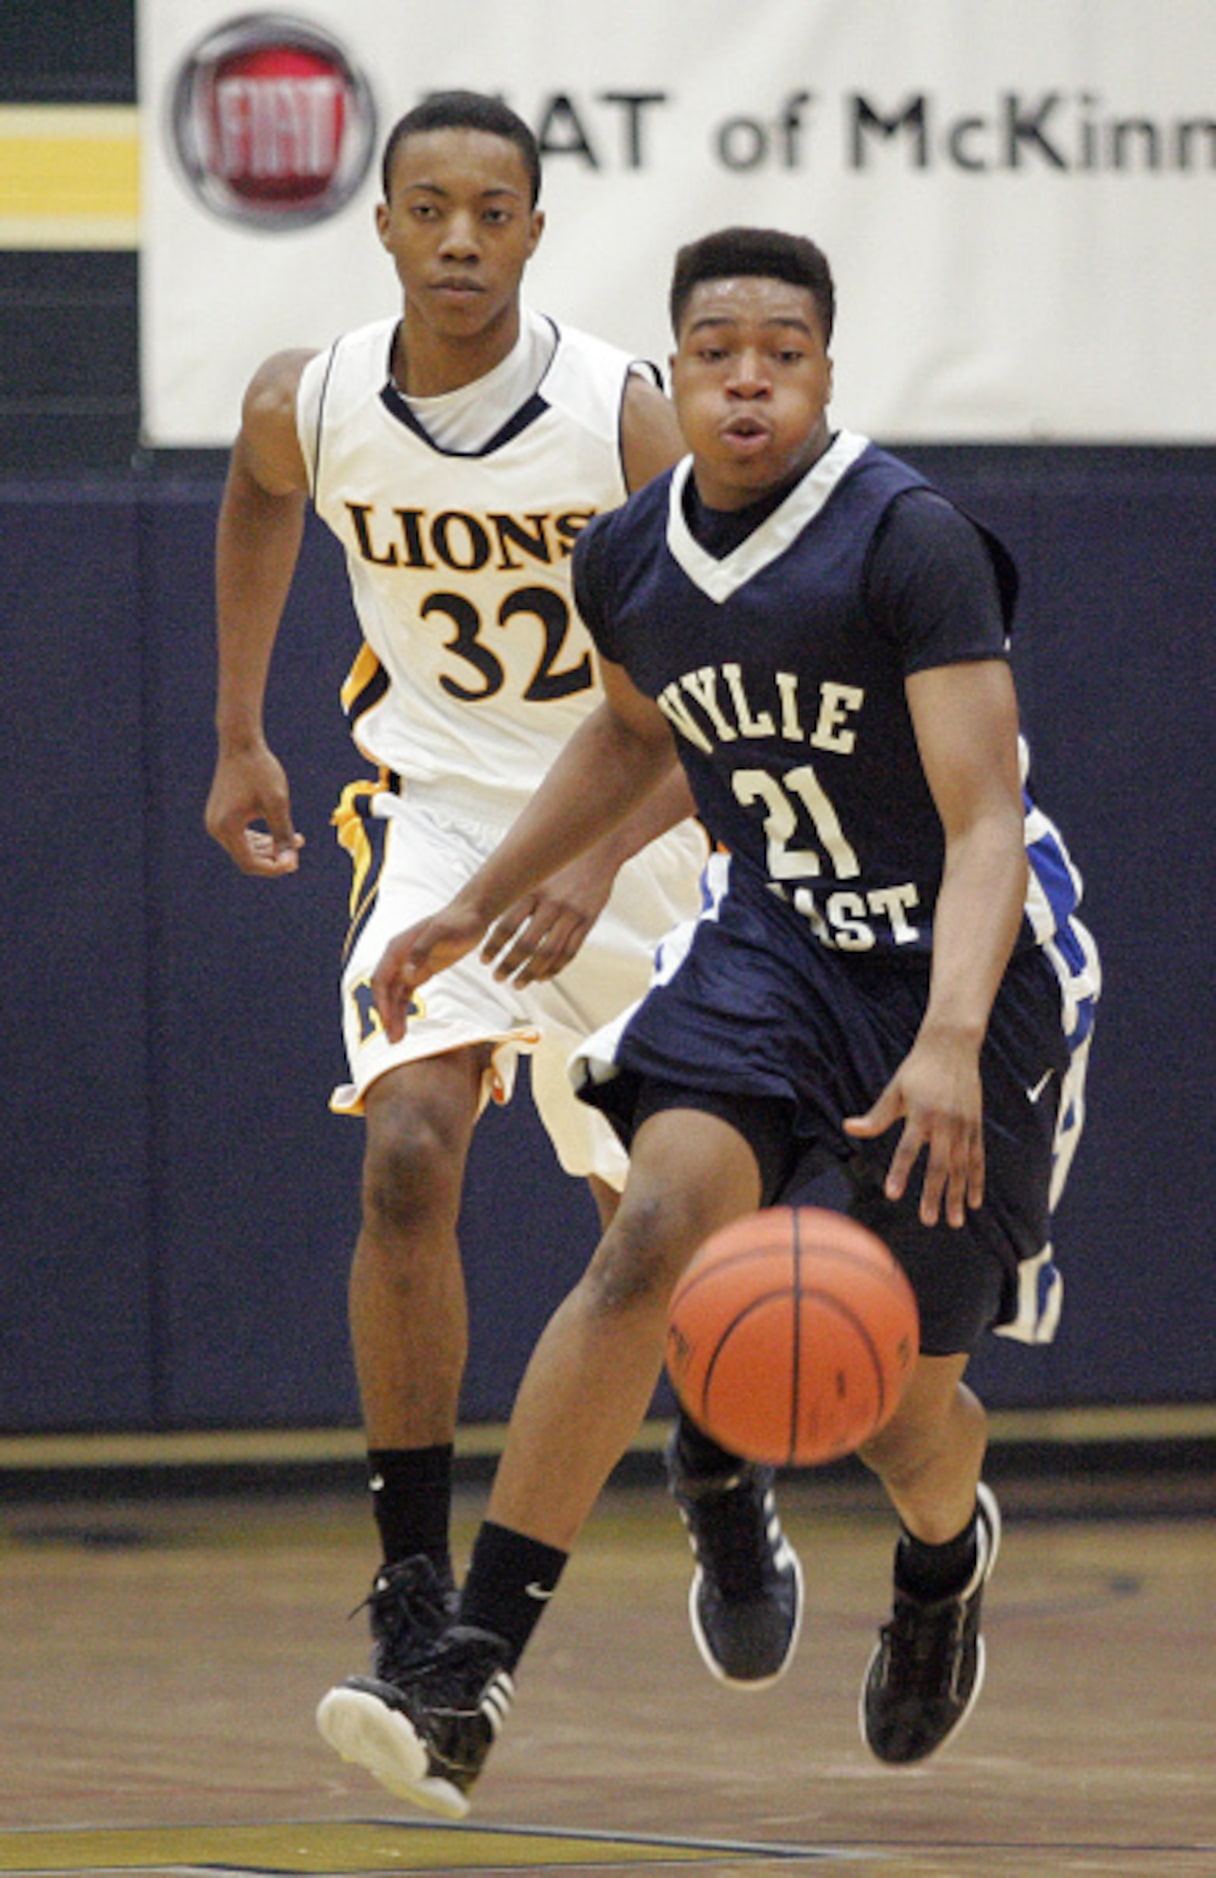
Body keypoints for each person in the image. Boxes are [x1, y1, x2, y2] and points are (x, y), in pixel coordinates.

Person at [364, 224, 1101, 1816]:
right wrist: (472, 897)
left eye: (783, 350)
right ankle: (465, 1669)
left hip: (955, 969)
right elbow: (635, 742)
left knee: (901, 1408)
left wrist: (955, 1039)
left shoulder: (909, 541)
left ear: (825, 371)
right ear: (679, 367)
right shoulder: (629, 554)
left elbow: (983, 824)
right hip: (773, 949)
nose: (749, 377)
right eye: (718, 351)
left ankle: (938, 1562)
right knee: (648, 1241)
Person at [203, 90, 710, 1791]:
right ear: (386, 225)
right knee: (411, 1152)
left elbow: (703, 691)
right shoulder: (317, 394)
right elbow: (261, 491)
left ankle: (720, 1468)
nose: (463, 239)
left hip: (626, 831)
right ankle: (416, 1578)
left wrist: (617, 849)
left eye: (495, 211)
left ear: (538, 233)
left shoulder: (624, 414)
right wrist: (240, 728)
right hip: (433, 816)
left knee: (654, 1245)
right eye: (431, 209)